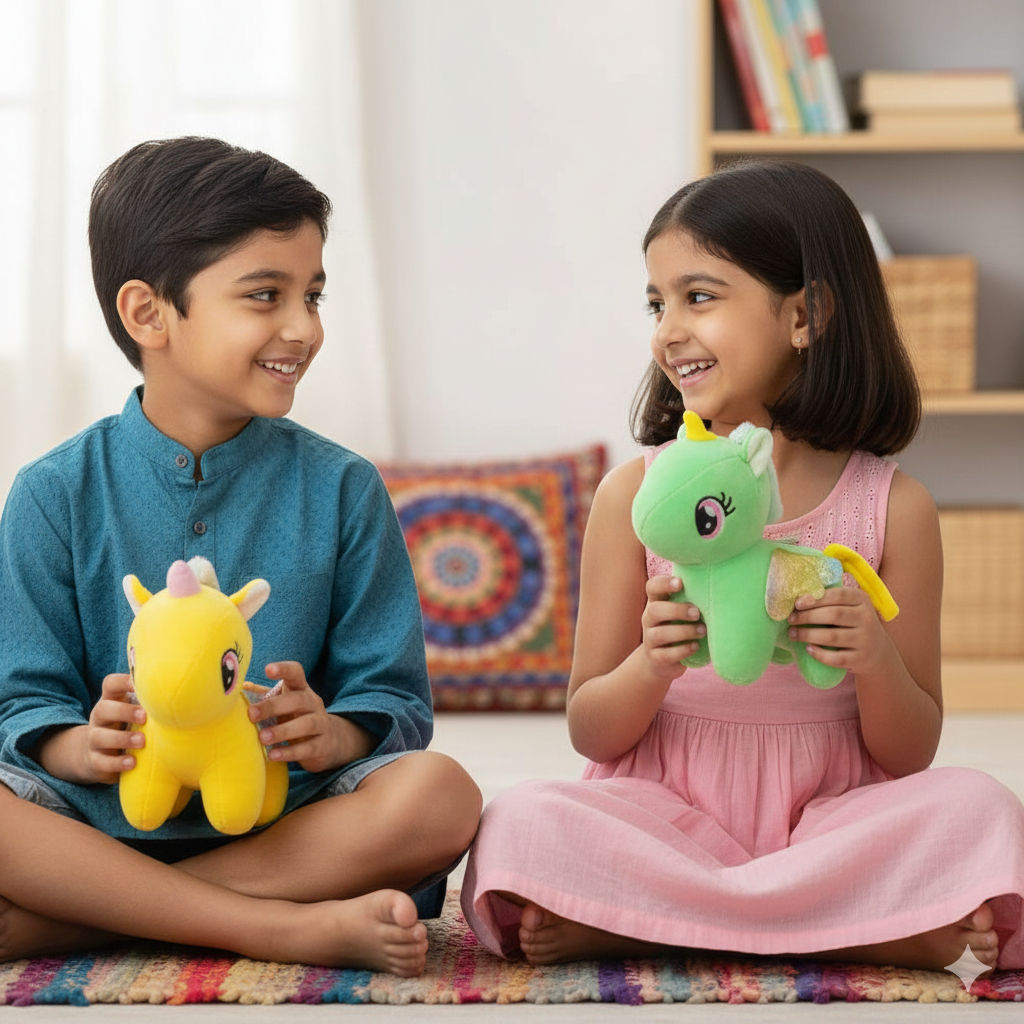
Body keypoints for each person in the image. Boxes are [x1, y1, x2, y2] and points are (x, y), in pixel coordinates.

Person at [461, 160, 1024, 973]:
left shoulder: (892, 507)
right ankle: (855, 930)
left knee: (979, 806)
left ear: (806, 315)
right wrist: (651, 665)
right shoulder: (638, 497)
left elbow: (911, 754)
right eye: (656, 304)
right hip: (663, 815)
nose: (666, 331)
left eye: (698, 297)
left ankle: (642, 925)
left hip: (829, 821)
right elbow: (590, 727)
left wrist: (873, 659)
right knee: (520, 818)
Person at [0, 137, 481, 976]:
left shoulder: (343, 487)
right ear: (149, 314)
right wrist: (80, 746)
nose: (305, 328)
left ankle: (91, 916)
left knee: (441, 795)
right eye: (266, 295)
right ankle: (275, 928)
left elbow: (394, 698)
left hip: (287, 820)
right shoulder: (52, 492)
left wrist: (330, 732)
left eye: (313, 295)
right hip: (95, 820)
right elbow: (20, 702)